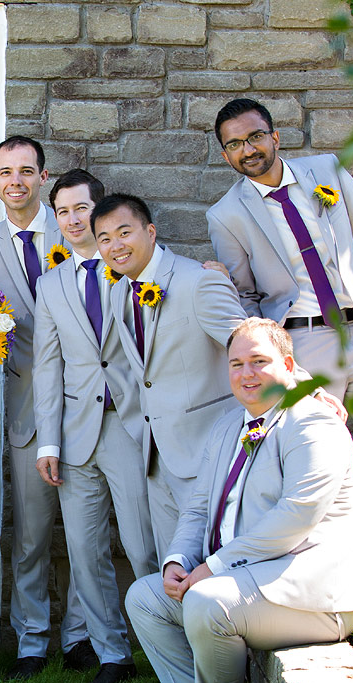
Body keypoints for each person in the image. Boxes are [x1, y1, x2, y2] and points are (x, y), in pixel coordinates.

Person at [126, 318, 353, 683]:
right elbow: (197, 507)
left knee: (206, 601)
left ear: (289, 364)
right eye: (236, 364)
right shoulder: (228, 427)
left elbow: (295, 516)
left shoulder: (313, 422)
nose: (246, 374)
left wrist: (212, 569)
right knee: (144, 597)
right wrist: (178, 561)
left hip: (315, 596)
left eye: (259, 361)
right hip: (250, 584)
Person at [207, 97, 353, 588]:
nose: (249, 149)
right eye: (235, 144)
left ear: (275, 135)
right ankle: (338, 571)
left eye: (255, 136)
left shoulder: (327, 170)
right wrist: (284, 365)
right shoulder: (226, 215)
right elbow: (247, 298)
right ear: (226, 156)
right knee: (322, 464)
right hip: (305, 348)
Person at [0, 137, 93, 681]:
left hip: (89, 405)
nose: (15, 180)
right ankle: (31, 640)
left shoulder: (78, 229)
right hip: (25, 408)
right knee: (32, 533)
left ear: (43, 177)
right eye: (4, 172)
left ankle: (84, 635)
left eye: (26, 171)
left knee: (89, 529)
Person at [31, 170, 158, 683]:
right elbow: (47, 366)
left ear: (100, 211)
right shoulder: (51, 284)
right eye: (62, 211)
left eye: (82, 208)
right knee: (84, 551)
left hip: (129, 428)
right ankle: (112, 654)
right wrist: (48, 440)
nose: (73, 219)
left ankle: (162, 647)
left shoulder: (132, 269)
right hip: (76, 434)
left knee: (141, 543)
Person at [95, 193, 246, 561]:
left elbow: (251, 348)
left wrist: (302, 395)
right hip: (155, 458)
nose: (115, 246)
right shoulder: (118, 292)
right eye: (104, 238)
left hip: (207, 452)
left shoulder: (199, 281)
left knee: (215, 563)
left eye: (124, 232)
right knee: (172, 565)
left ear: (150, 231)